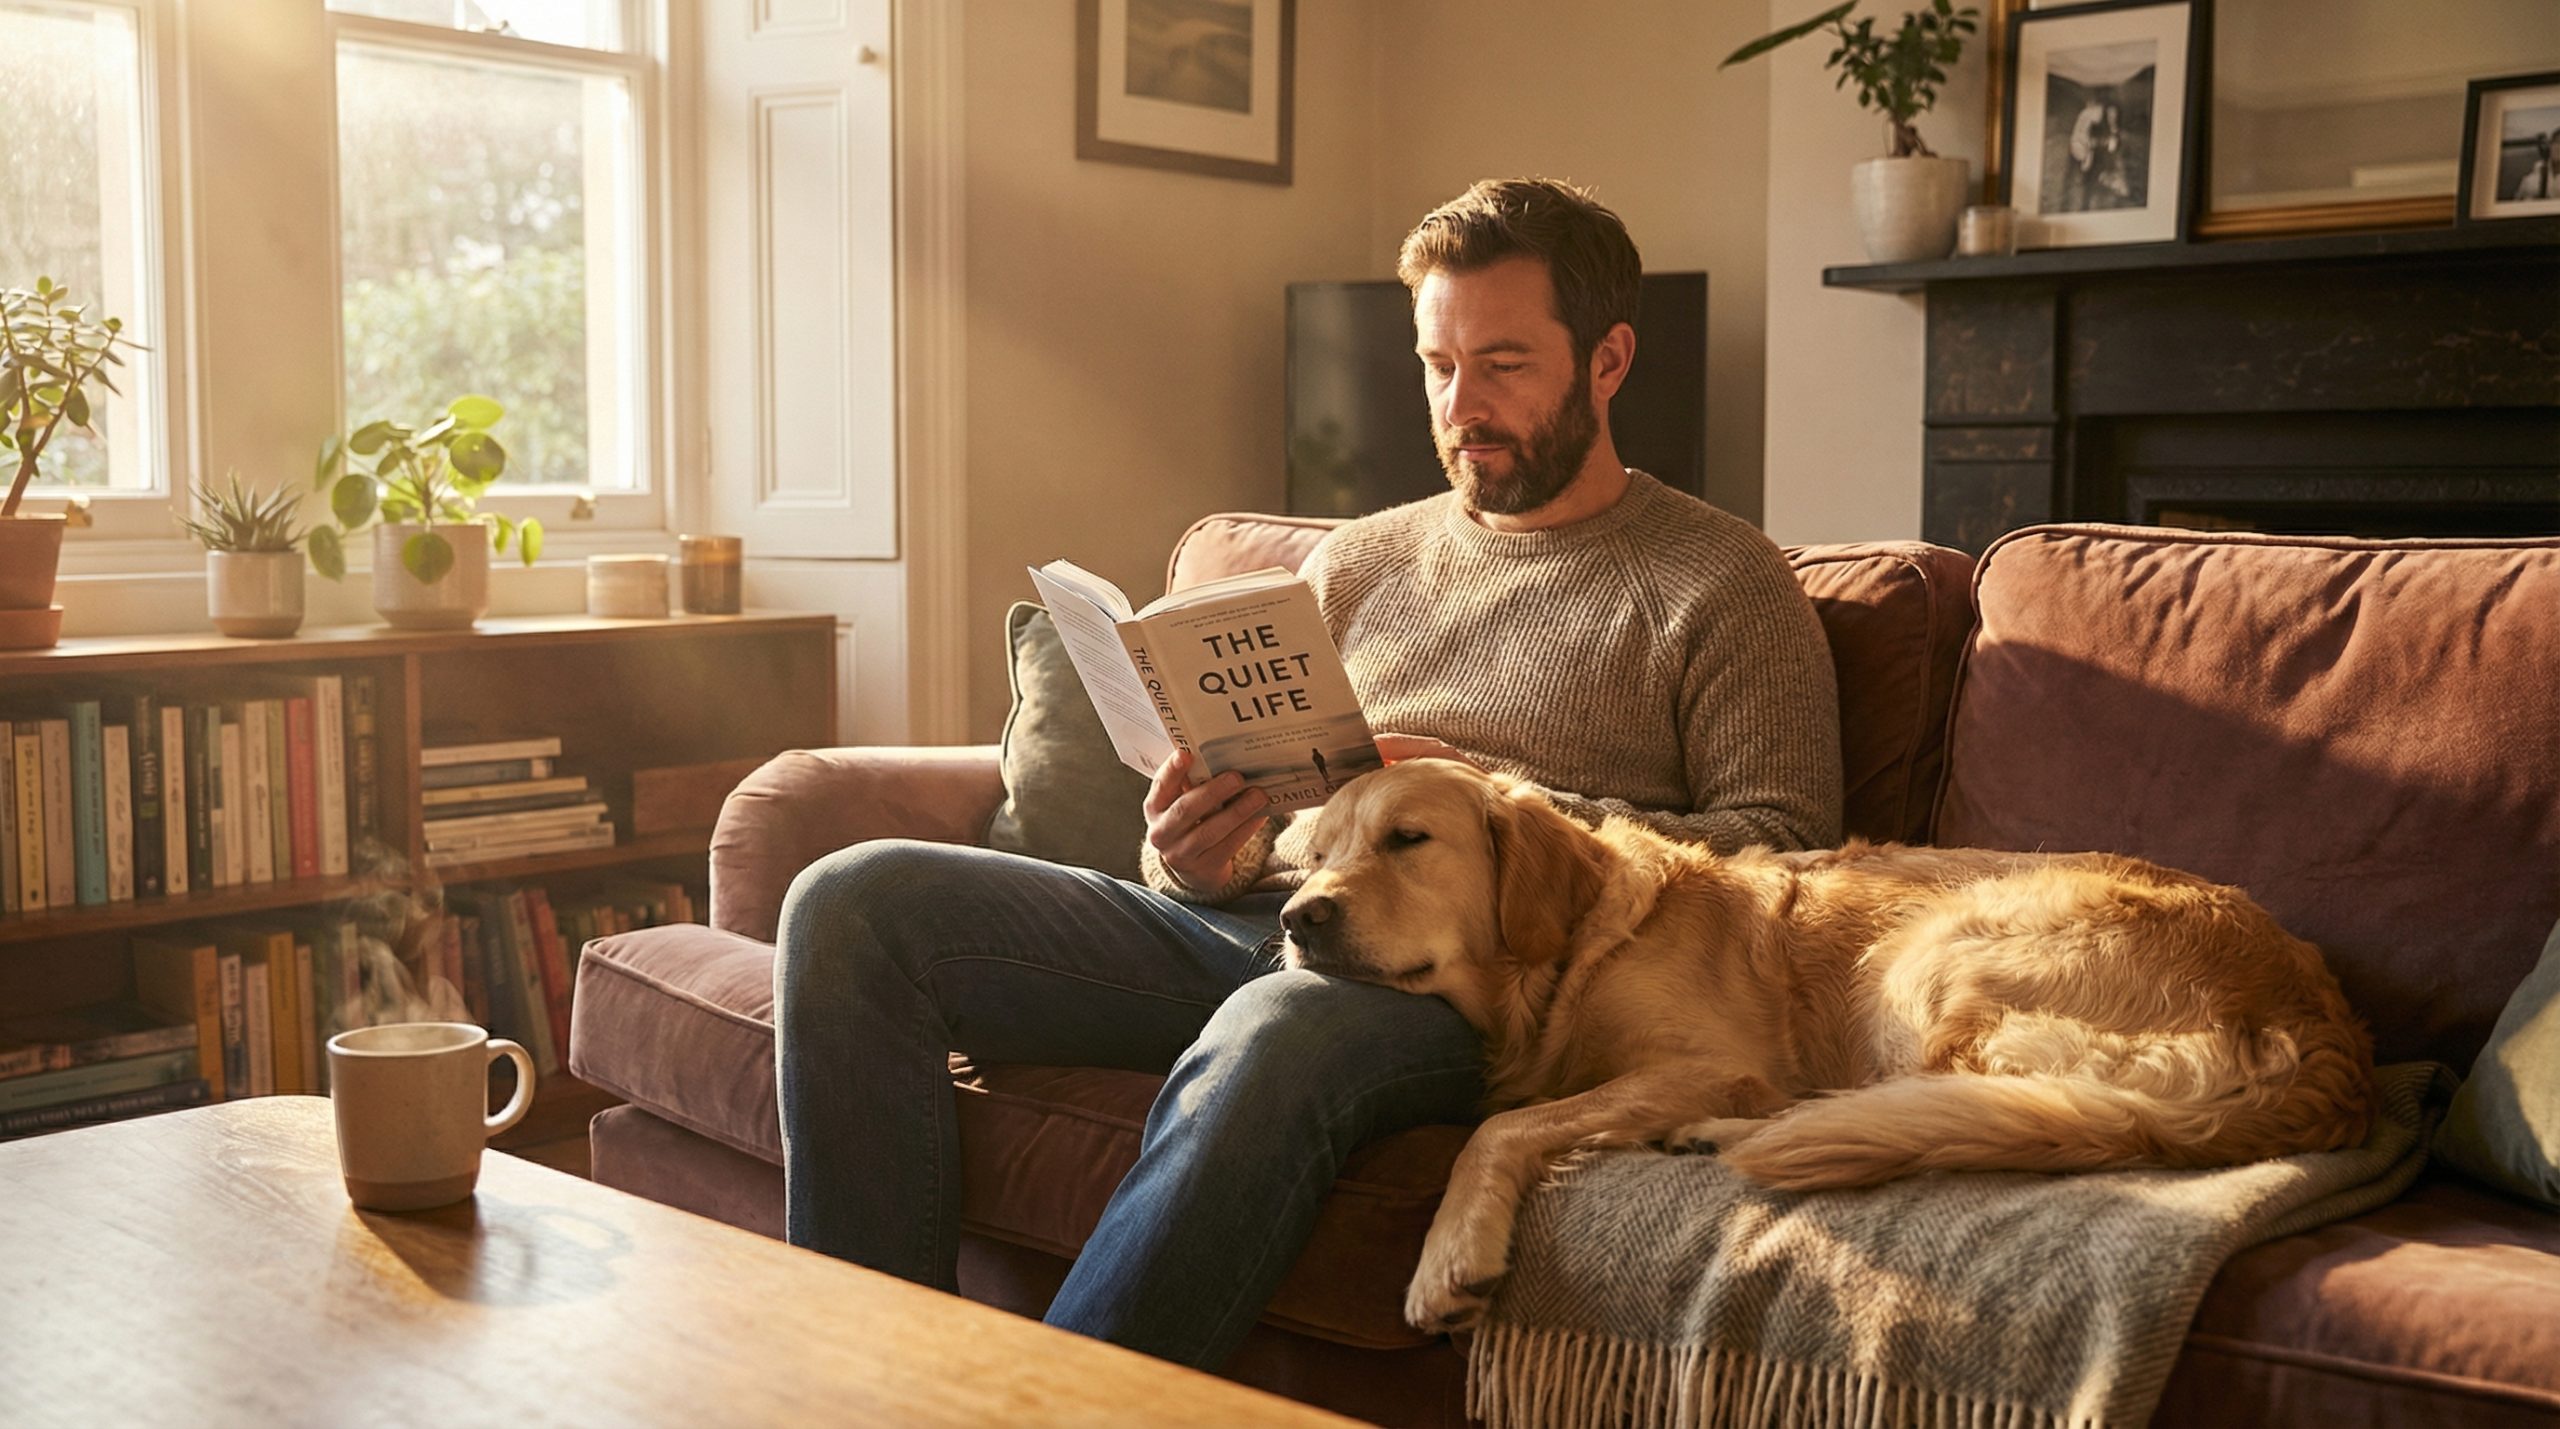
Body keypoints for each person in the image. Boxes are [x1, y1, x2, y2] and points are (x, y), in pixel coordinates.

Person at [773, 177, 1843, 1372]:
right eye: (1438, 365)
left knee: (1281, 1021)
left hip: (1472, 979)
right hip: (1264, 916)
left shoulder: (1723, 581)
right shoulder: (1357, 560)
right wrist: (1185, 845)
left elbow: (1783, 849)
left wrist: (1482, 799)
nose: (1461, 406)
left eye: (1503, 365)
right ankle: (858, 1380)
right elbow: (1260, 830)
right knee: (854, 900)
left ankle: (1061, 1407)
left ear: (1608, 361)